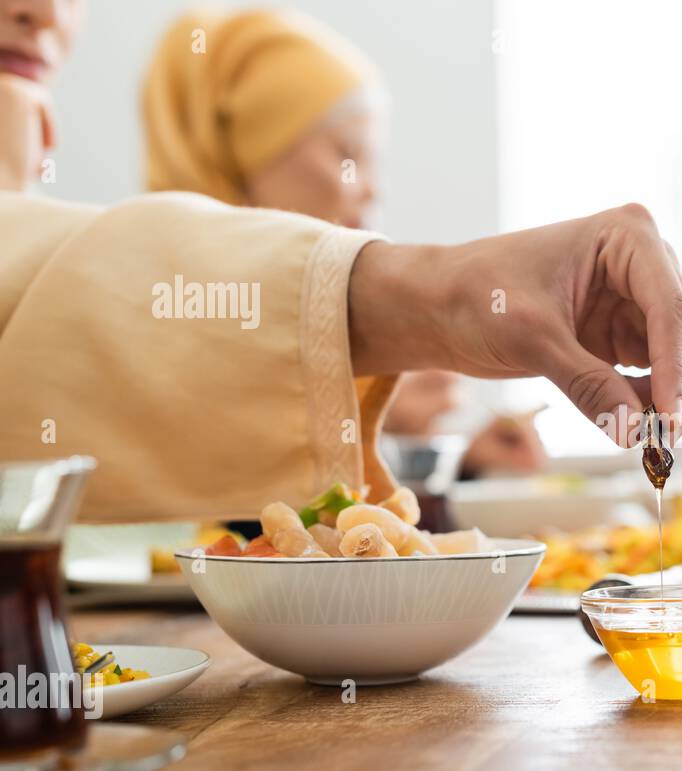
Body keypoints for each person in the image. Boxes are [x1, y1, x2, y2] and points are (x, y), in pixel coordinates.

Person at [0, 0, 682, 522]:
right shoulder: (147, 286)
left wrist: (442, 449)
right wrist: (432, 305)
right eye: (343, 155)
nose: (44, 10)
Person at [140, 8, 546, 478]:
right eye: (347, 153)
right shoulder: (177, 306)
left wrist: (449, 459)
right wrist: (357, 408)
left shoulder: (308, 314)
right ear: (242, 160)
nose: (372, 189)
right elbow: (236, 509)